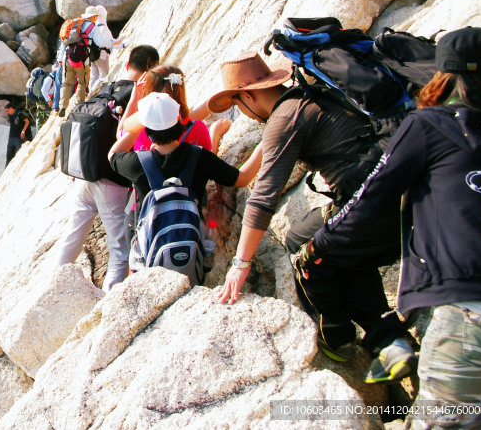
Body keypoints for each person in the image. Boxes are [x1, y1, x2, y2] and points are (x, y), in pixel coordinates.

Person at [300, 27, 481, 427]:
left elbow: (371, 198)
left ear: (440, 73)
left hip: (470, 312)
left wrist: (320, 244)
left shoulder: (429, 125)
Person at [210, 52, 412, 382]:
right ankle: (384, 331)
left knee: (312, 258)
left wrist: (240, 263)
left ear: (248, 96)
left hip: (374, 206)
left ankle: (349, 338)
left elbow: (263, 197)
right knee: (303, 236)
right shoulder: (313, 93)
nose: (241, 110)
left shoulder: (283, 119)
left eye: (237, 102)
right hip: (400, 188)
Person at [51, 44, 159, 290]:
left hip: (84, 173)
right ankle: (110, 300)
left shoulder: (107, 88)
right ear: (151, 70)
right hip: (111, 179)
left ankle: (54, 287)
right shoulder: (140, 96)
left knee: (73, 234)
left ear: (128, 63)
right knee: (119, 249)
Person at [108, 92, 262, 263]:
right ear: (178, 120)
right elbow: (243, 179)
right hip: (190, 251)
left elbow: (112, 154)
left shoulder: (137, 164)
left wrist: (139, 126)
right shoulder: (200, 157)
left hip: (151, 253)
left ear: (147, 129)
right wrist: (265, 143)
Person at [54, 5, 125, 116]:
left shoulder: (74, 24)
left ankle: (63, 106)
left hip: (67, 58)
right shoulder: (92, 27)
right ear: (94, 16)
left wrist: (60, 58)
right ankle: (78, 106)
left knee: (66, 83)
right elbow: (101, 42)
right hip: (82, 60)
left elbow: (64, 42)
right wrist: (115, 43)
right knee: (82, 83)